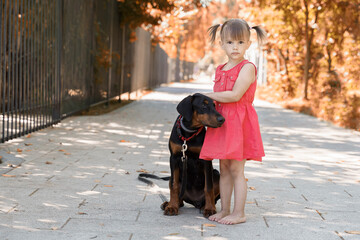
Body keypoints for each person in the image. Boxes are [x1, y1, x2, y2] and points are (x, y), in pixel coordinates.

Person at [199, 19, 266, 225]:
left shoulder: (247, 68)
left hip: (239, 123)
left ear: (248, 44)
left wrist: (205, 94)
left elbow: (235, 95)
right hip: (222, 123)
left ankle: (240, 213)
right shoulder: (220, 68)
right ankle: (225, 209)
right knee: (224, 168)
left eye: (240, 42)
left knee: (237, 169)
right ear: (221, 44)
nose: (234, 47)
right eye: (229, 43)